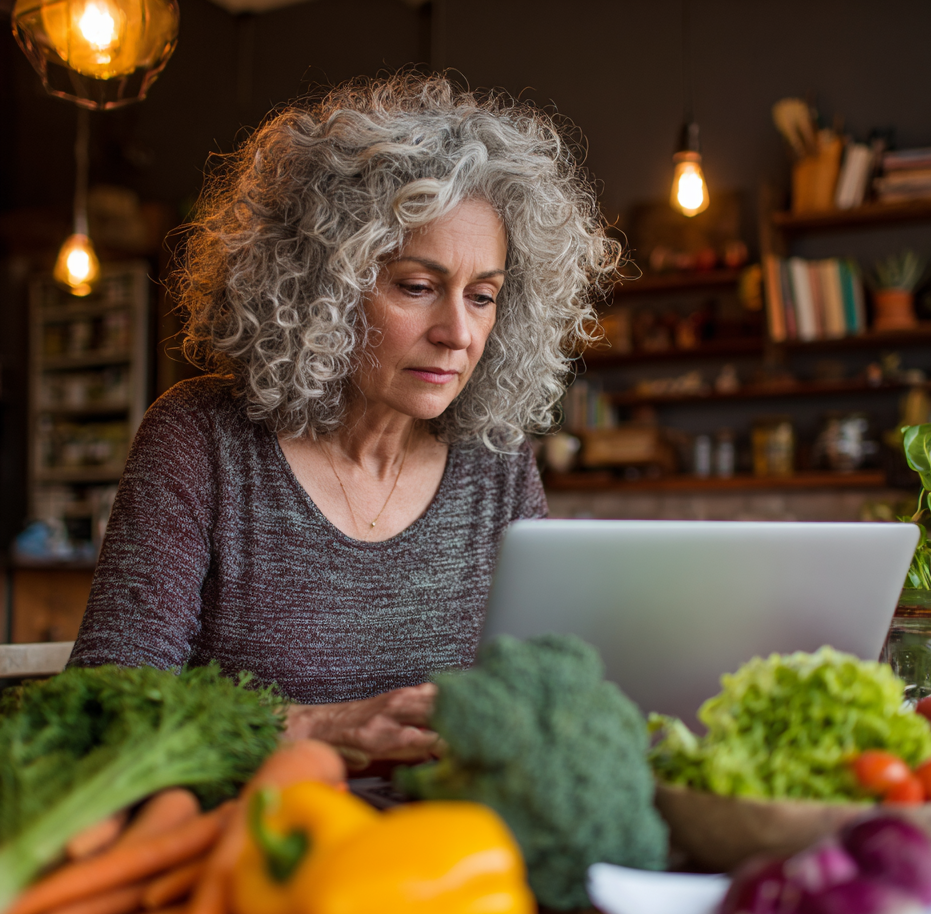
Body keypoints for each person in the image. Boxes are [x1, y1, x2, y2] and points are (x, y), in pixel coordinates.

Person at [70, 73, 620, 763]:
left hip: (449, 827)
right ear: (322, 284)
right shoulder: (202, 439)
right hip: (257, 821)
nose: (458, 333)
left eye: (483, 297)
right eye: (417, 286)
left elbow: (542, 692)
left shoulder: (498, 465)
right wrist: (320, 728)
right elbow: (103, 706)